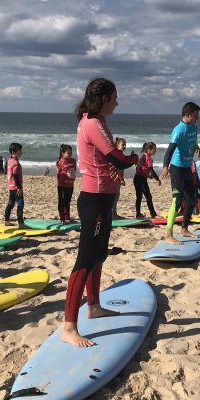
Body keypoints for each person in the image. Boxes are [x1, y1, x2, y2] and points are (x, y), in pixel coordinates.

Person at [62, 77, 138, 347]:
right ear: (104, 98)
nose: (117, 102)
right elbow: (116, 158)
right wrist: (133, 159)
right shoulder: (93, 123)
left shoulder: (97, 122)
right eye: (115, 97)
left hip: (104, 198)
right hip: (93, 199)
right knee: (85, 259)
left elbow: (106, 159)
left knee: (99, 254)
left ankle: (93, 305)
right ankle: (69, 327)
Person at [160, 102, 200, 244]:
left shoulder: (194, 128)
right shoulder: (178, 130)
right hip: (176, 168)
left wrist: (196, 146)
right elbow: (170, 150)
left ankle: (184, 229)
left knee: (192, 200)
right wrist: (165, 167)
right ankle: (168, 235)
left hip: (187, 168)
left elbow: (193, 140)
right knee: (177, 200)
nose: (197, 118)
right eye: (195, 116)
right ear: (188, 115)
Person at [134, 142, 160, 218]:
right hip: (140, 179)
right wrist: (158, 179)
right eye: (154, 150)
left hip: (137, 178)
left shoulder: (143, 156)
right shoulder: (148, 157)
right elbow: (151, 169)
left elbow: (140, 168)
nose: (155, 151)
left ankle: (138, 214)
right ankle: (153, 214)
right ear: (149, 149)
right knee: (148, 196)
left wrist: (147, 175)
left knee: (139, 197)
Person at [4, 142, 25, 227]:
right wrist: (20, 188)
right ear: (14, 151)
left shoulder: (9, 161)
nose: (21, 152)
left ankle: (7, 221)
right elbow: (16, 176)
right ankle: (21, 224)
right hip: (16, 187)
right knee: (20, 204)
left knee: (10, 204)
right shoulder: (15, 163)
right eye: (20, 151)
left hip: (11, 187)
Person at [56, 144, 77, 223]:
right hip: (62, 186)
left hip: (70, 185)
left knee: (67, 201)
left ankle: (67, 217)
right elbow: (58, 174)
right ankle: (62, 218)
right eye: (68, 153)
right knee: (62, 201)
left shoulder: (73, 161)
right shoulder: (60, 162)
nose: (70, 154)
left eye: (71, 153)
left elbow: (74, 171)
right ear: (63, 153)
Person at [111, 137, 128, 219]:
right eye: (122, 145)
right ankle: (113, 214)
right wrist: (121, 179)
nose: (124, 146)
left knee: (115, 196)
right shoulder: (118, 156)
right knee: (115, 196)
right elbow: (119, 169)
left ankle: (113, 213)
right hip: (116, 179)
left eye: (125, 145)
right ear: (117, 145)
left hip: (115, 179)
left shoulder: (119, 155)